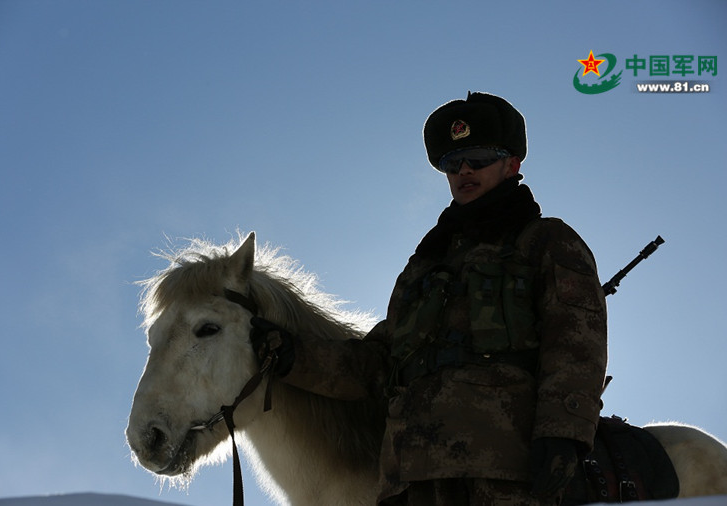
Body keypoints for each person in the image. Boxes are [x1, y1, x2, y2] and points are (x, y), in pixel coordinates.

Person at [256, 91, 608, 505]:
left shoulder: (545, 241)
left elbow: (576, 343)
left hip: (504, 471)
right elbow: (375, 365)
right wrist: (290, 355)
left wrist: (562, 432)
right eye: (451, 162)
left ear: (512, 163)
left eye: (477, 157)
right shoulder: (423, 267)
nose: (463, 170)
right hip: (409, 480)